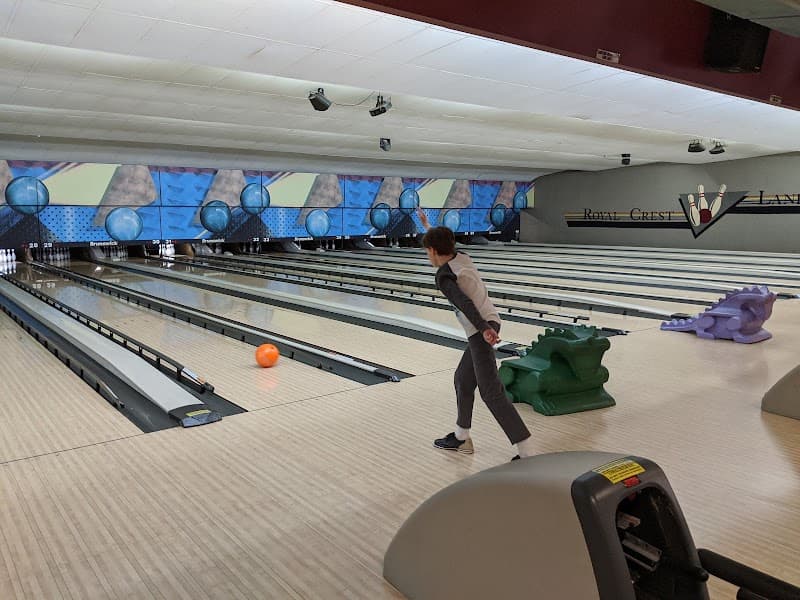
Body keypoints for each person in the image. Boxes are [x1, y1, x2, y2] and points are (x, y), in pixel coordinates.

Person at [416, 208, 536, 460]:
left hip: (481, 328)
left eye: (428, 251)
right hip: (487, 323)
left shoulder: (444, 276)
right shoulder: (461, 256)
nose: (428, 256)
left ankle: (526, 451)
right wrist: (427, 226)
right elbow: (442, 241)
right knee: (463, 378)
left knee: (490, 392)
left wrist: (484, 329)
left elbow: (464, 303)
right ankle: (461, 437)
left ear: (433, 251)